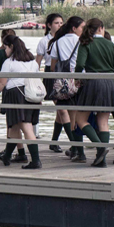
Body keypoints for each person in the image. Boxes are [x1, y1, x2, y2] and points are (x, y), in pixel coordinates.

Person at [0, 35, 42, 170]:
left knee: (26, 128)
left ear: (11, 47)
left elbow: (2, 82)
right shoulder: (33, 62)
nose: (4, 50)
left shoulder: (9, 62)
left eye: (6, 47)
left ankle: (36, 160)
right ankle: (7, 155)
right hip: (31, 95)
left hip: (16, 95)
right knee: (14, 127)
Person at [73, 18, 114, 168]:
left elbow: (80, 64)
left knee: (80, 120)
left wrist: (77, 77)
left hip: (93, 82)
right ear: (101, 28)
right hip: (110, 83)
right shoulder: (110, 44)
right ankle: (102, 160)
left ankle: (100, 148)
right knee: (103, 122)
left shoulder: (86, 43)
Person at [49, 16, 85, 161]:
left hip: (64, 83)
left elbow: (53, 67)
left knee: (68, 117)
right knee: (77, 117)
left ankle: (77, 150)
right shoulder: (82, 42)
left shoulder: (58, 42)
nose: (84, 30)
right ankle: (79, 150)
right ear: (74, 28)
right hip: (79, 81)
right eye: (83, 27)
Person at [35, 13, 66, 152]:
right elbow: (38, 62)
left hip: (64, 73)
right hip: (50, 72)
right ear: (49, 25)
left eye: (61, 23)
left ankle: (54, 141)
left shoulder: (65, 39)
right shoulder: (44, 41)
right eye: (56, 23)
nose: (59, 25)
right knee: (62, 109)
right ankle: (73, 144)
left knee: (61, 110)